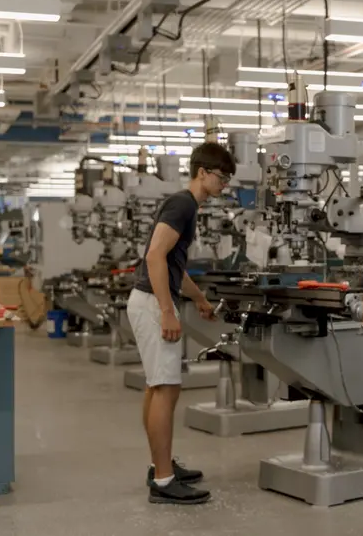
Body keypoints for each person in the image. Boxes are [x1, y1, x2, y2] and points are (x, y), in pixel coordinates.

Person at [127, 141, 236, 505]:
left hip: (150, 300)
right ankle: (163, 480)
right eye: (221, 177)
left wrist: (199, 298)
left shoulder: (186, 205)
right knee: (166, 388)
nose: (224, 185)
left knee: (157, 386)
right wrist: (168, 310)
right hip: (152, 303)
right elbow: (155, 254)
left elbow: (173, 265)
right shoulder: (183, 203)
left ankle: (160, 463)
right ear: (202, 172)